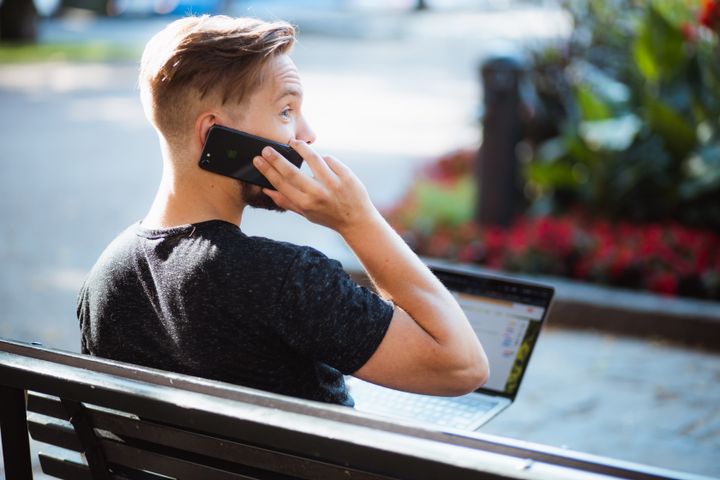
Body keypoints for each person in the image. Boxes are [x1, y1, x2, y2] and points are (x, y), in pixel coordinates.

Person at [77, 15, 488, 406]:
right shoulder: (285, 280)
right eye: (286, 111)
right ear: (214, 135)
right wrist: (357, 220)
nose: (306, 134)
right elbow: (462, 365)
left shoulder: (104, 279)